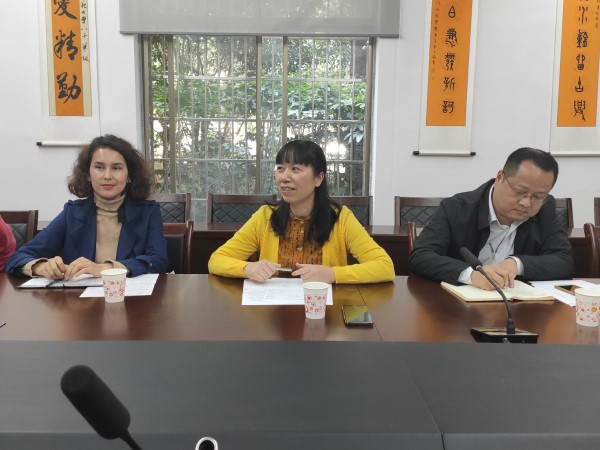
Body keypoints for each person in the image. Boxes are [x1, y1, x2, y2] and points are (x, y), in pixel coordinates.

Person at [208, 140, 395, 284]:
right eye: (280, 169)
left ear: (318, 178)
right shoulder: (265, 216)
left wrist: (332, 274)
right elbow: (216, 260)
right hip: (273, 312)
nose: (284, 177)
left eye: (295, 169)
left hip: (322, 310)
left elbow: (385, 267)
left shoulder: (341, 218)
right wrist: (247, 268)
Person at [408, 147, 574, 290]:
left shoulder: (545, 210)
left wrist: (516, 264)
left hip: (518, 306)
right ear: (500, 177)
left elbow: (564, 261)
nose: (526, 203)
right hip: (457, 306)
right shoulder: (456, 208)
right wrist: (471, 275)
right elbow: (421, 256)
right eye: (519, 192)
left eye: (538, 197)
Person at [6, 134, 168, 279]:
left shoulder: (148, 212)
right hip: (80, 300)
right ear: (88, 174)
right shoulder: (72, 212)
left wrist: (106, 268)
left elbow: (159, 261)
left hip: (130, 298)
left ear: (129, 175)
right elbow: (17, 258)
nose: (107, 176)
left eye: (117, 168)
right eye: (99, 167)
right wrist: (41, 267)